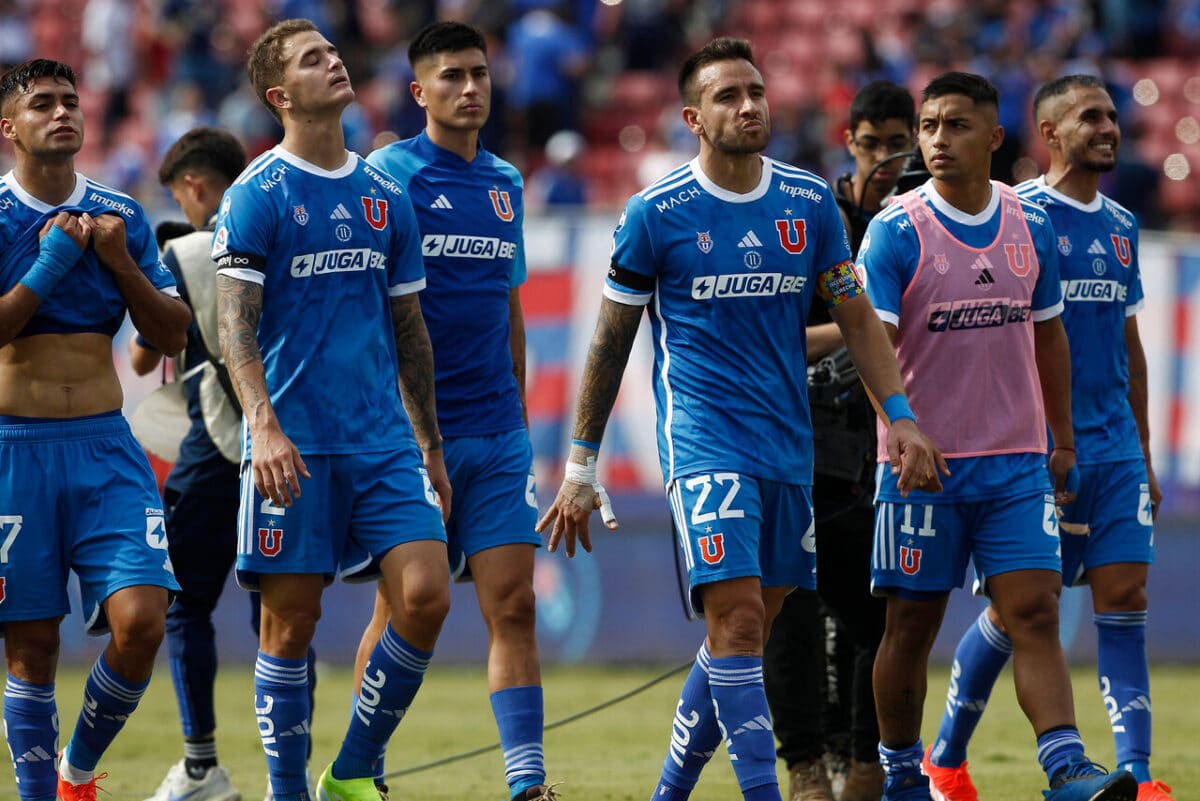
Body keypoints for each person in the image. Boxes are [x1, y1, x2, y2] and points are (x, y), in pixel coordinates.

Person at [535, 37, 944, 801]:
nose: (749, 105)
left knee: (745, 628)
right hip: (703, 440)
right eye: (728, 95)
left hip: (787, 446)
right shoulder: (656, 214)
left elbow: (856, 318)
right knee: (742, 623)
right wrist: (581, 465)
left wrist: (900, 415)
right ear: (693, 117)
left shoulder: (807, 203)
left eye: (755, 91)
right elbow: (610, 341)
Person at [855, 71, 1136, 801]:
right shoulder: (896, 229)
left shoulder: (1029, 224)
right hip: (924, 467)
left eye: (955, 125)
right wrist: (900, 428)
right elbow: (869, 344)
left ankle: (1066, 769)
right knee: (911, 626)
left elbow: (1050, 337)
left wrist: (1062, 438)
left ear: (994, 136)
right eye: (929, 127)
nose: (937, 140)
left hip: (1015, 463)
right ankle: (903, 776)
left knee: (1035, 610)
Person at [212, 19, 451, 801]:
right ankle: (287, 791)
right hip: (295, 441)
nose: (335, 62)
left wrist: (431, 445)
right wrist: (264, 426)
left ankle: (349, 769)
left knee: (427, 593)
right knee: (291, 623)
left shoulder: (385, 194)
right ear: (280, 95)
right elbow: (234, 325)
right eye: (312, 59)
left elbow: (409, 329)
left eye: (334, 51)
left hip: (383, 439)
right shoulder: (257, 195)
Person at [922, 75, 1174, 801]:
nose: (1109, 127)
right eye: (1090, 116)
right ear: (1051, 133)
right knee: (1015, 611)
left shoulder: (1122, 225)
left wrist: (1145, 453)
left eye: (1112, 115)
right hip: (1036, 449)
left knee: (1125, 594)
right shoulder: (1019, 216)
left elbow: (1129, 345)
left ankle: (1138, 774)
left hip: (1115, 447)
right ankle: (945, 758)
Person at [358, 21, 555, 801]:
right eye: (451, 76)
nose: (470, 87)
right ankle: (362, 769)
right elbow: (367, 303)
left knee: (515, 602)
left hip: (498, 429)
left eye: (478, 73)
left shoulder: (506, 182)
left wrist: (521, 409)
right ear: (419, 91)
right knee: (404, 604)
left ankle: (527, 781)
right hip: (410, 434)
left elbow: (510, 305)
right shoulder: (386, 176)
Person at [0, 58, 191, 801]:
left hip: (106, 446)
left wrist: (120, 264)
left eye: (70, 102)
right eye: (42, 103)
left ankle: (76, 773)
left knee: (143, 619)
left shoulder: (122, 216)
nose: (62, 113)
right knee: (32, 643)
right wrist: (51, 265)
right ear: (10, 126)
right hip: (15, 448)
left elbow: (171, 334)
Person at [131, 127, 320, 801]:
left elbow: (143, 357)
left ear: (194, 187)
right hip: (291, 442)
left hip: (213, 449)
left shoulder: (183, 252)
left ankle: (201, 766)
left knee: (185, 605)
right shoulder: (288, 230)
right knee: (286, 609)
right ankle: (289, 776)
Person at [763, 79, 916, 801]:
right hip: (809, 439)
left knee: (883, 611)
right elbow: (778, 337)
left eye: (898, 143)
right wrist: (863, 331)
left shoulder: (922, 220)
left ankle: (863, 762)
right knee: (790, 611)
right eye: (872, 142)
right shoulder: (811, 216)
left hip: (886, 445)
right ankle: (804, 766)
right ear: (849, 141)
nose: (885, 158)